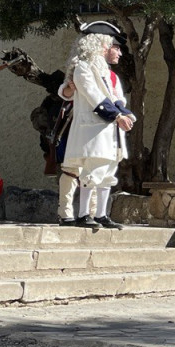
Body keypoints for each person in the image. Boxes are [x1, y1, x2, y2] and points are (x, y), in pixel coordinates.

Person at [58, 21, 135, 230]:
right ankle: (83, 214)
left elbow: (118, 98)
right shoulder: (82, 68)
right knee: (90, 173)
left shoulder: (109, 74)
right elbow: (94, 97)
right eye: (113, 46)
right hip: (92, 130)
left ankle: (101, 214)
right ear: (100, 43)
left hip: (110, 131)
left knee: (108, 172)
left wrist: (125, 113)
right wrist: (118, 116)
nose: (117, 52)